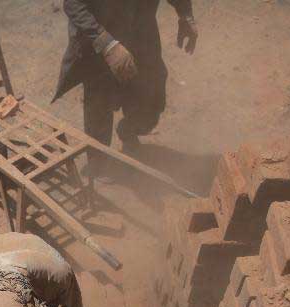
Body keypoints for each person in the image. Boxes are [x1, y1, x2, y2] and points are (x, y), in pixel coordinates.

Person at [53, 0, 198, 176]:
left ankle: (129, 130)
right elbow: (73, 4)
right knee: (100, 102)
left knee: (152, 92)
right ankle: (98, 162)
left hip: (141, 32)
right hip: (101, 34)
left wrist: (185, 15)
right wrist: (107, 44)